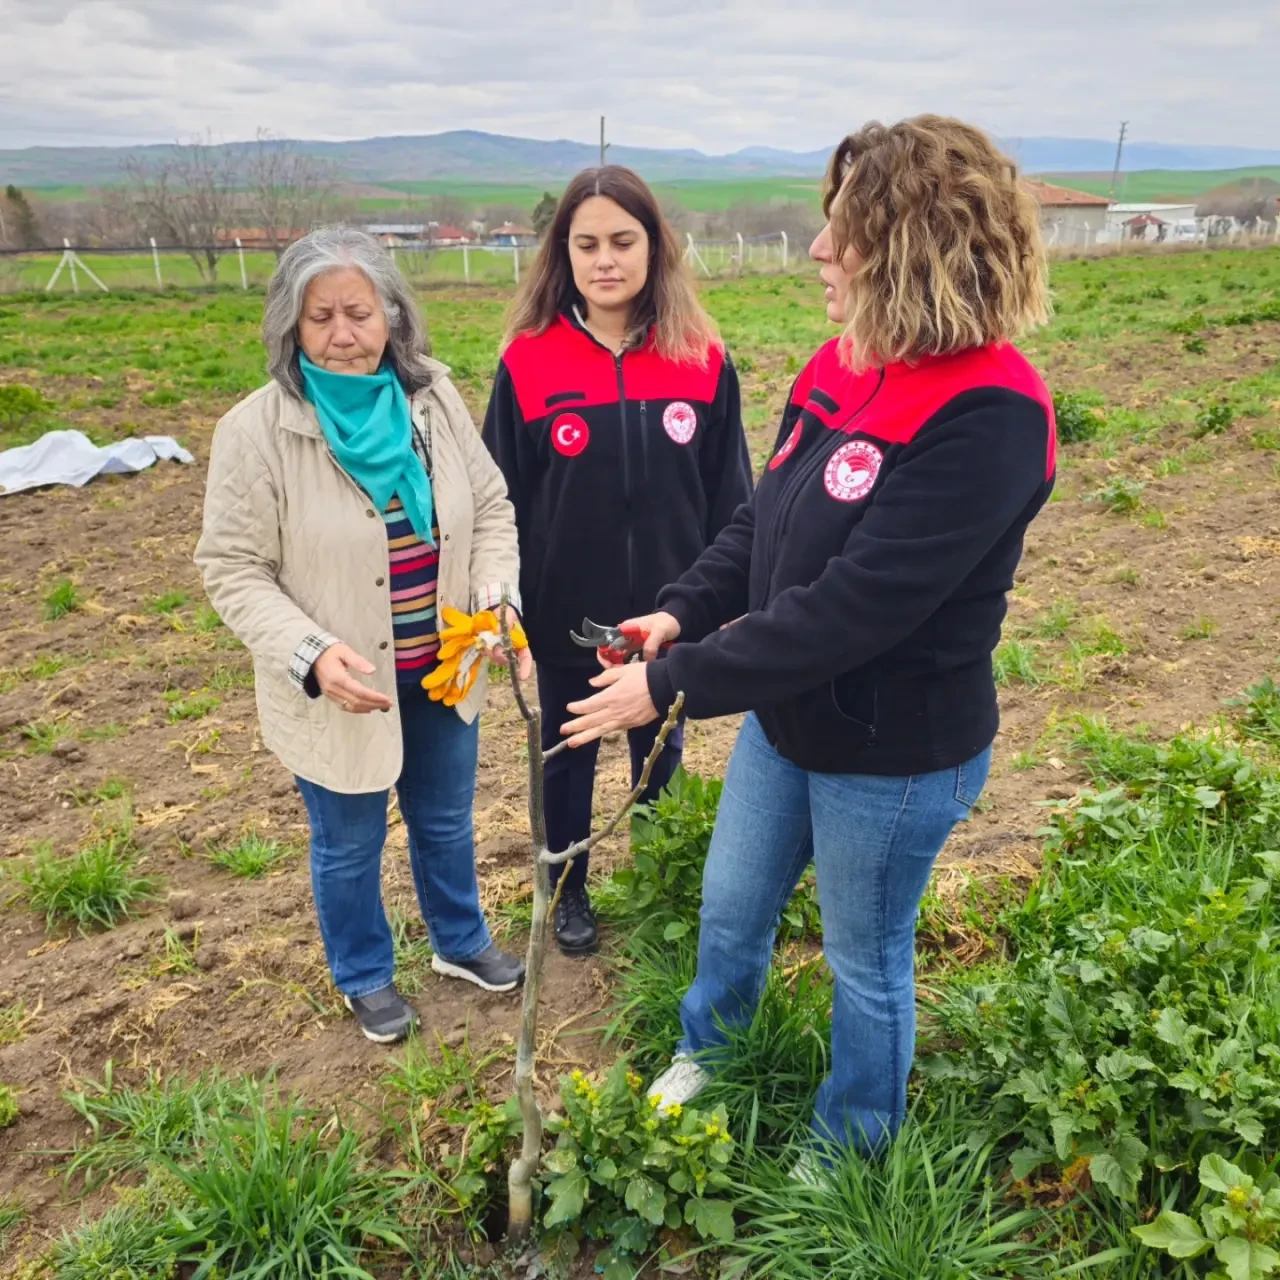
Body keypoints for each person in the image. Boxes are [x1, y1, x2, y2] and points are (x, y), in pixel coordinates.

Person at [558, 117, 1056, 1168]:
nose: (819, 252)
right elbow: (760, 520)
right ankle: (712, 1050)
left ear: (912, 249)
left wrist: (671, 683)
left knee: (862, 955)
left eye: (843, 234)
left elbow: (851, 608)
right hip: (788, 722)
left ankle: (850, 1146)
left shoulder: (993, 414)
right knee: (730, 909)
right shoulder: (842, 362)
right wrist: (680, 611)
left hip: (893, 752)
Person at [195, 227, 527, 1045]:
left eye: (359, 312)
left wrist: (495, 594)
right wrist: (311, 655)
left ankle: (458, 942)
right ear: (290, 329)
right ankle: (365, 974)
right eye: (320, 318)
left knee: (446, 819)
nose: (343, 335)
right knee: (348, 842)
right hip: (342, 687)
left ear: (393, 319)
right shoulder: (255, 432)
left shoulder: (434, 400)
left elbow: (489, 507)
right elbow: (232, 568)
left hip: (444, 666)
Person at [482, 166, 752, 956]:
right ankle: (567, 888)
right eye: (587, 244)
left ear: (654, 247)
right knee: (567, 754)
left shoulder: (701, 357)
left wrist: (717, 602)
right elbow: (501, 496)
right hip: (566, 607)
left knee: (660, 751)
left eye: (623, 241)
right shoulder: (529, 363)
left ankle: (660, 883)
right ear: (563, 255)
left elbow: (731, 493)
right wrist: (509, 603)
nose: (606, 260)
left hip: (669, 613)